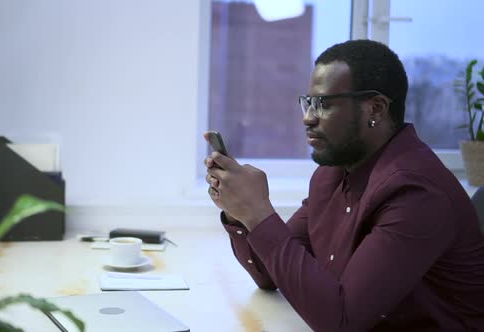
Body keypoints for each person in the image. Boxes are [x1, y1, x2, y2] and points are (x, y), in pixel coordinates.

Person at [204, 39, 484, 331]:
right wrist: (240, 214)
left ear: (375, 109)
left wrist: (258, 212)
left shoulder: (416, 192)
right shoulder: (333, 175)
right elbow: (269, 276)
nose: (308, 118)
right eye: (308, 102)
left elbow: (341, 322)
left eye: (323, 104)